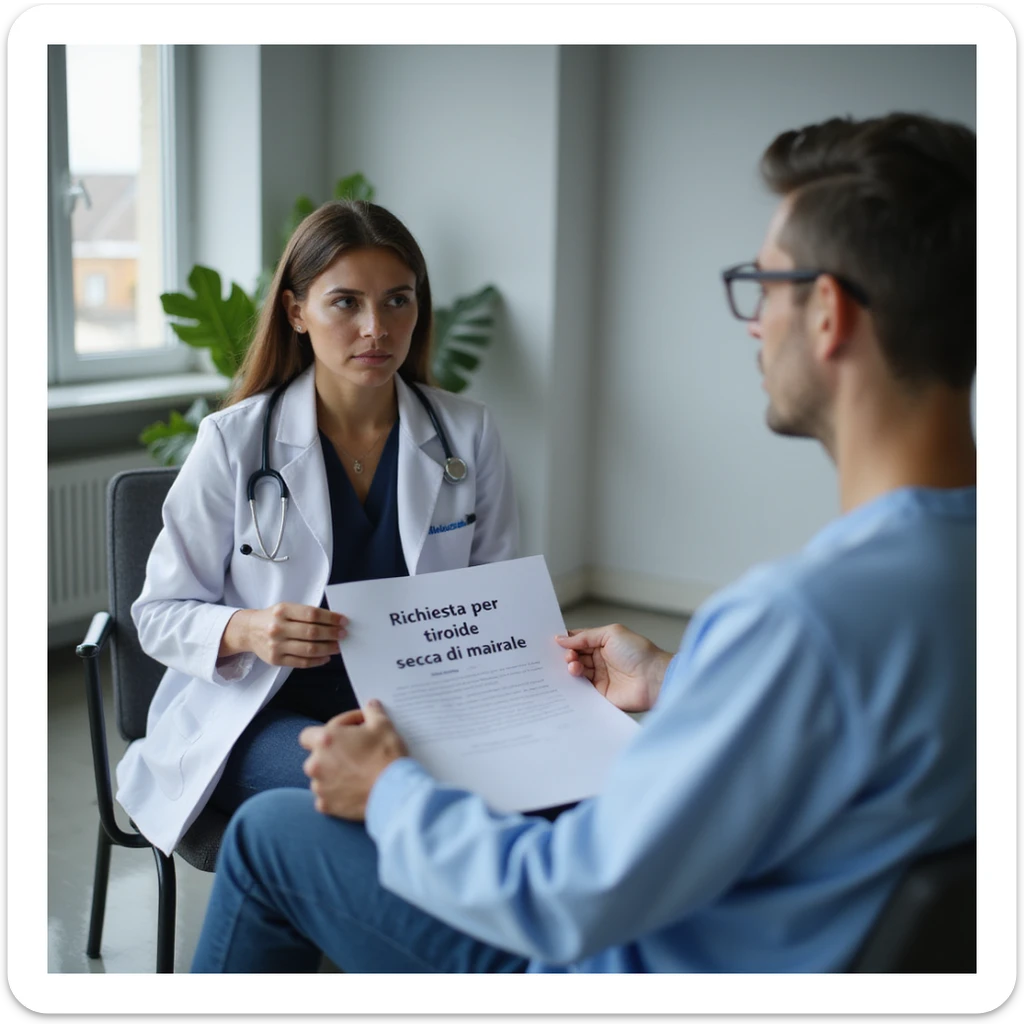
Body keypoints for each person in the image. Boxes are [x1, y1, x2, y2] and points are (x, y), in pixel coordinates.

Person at [191, 111, 977, 974]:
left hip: (621, 968)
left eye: (764, 283)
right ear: (299, 312)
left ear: (826, 313)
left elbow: (563, 898)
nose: (754, 322)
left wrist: (390, 793)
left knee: (272, 834)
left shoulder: (791, 622)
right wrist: (677, 682)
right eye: (345, 302)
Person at [115, 200, 519, 857]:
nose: (376, 328)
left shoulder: (467, 434)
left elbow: (500, 599)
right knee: (373, 806)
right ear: (297, 312)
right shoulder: (234, 442)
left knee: (521, 794)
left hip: (413, 706)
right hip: (260, 711)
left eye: (397, 301)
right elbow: (156, 613)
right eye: (346, 303)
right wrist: (246, 628)